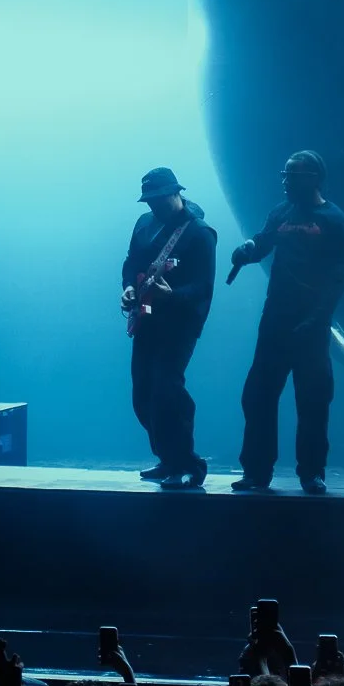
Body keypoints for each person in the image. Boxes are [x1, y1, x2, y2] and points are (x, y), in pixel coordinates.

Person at [228, 150, 344, 496]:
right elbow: (264, 240)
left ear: (314, 177)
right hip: (275, 322)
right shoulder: (281, 212)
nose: (284, 180)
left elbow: (340, 275)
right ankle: (256, 471)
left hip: (311, 326)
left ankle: (312, 473)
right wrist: (247, 250)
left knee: (312, 400)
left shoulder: (333, 219)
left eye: (292, 174)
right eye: (284, 173)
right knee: (257, 396)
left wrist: (319, 318)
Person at [121, 165, 217, 491]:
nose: (154, 207)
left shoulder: (199, 233)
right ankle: (167, 458)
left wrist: (172, 295)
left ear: (176, 193)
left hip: (180, 325)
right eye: (149, 201)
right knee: (142, 394)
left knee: (166, 391)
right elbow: (131, 263)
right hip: (147, 320)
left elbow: (203, 287)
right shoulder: (144, 224)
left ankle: (189, 463)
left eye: (159, 199)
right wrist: (128, 288)